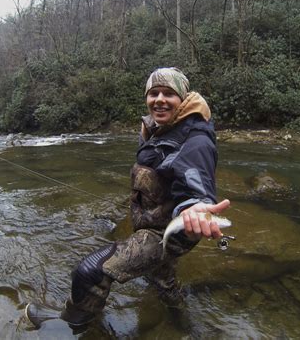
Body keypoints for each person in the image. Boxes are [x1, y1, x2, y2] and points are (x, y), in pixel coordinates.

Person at [26, 67, 230, 328]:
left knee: (90, 272)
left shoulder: (195, 140)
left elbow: (195, 184)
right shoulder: (158, 128)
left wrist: (194, 207)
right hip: (153, 223)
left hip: (166, 232)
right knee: (161, 279)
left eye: (169, 93)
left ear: (183, 99)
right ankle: (180, 320)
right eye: (153, 93)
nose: (159, 99)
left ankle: (70, 324)